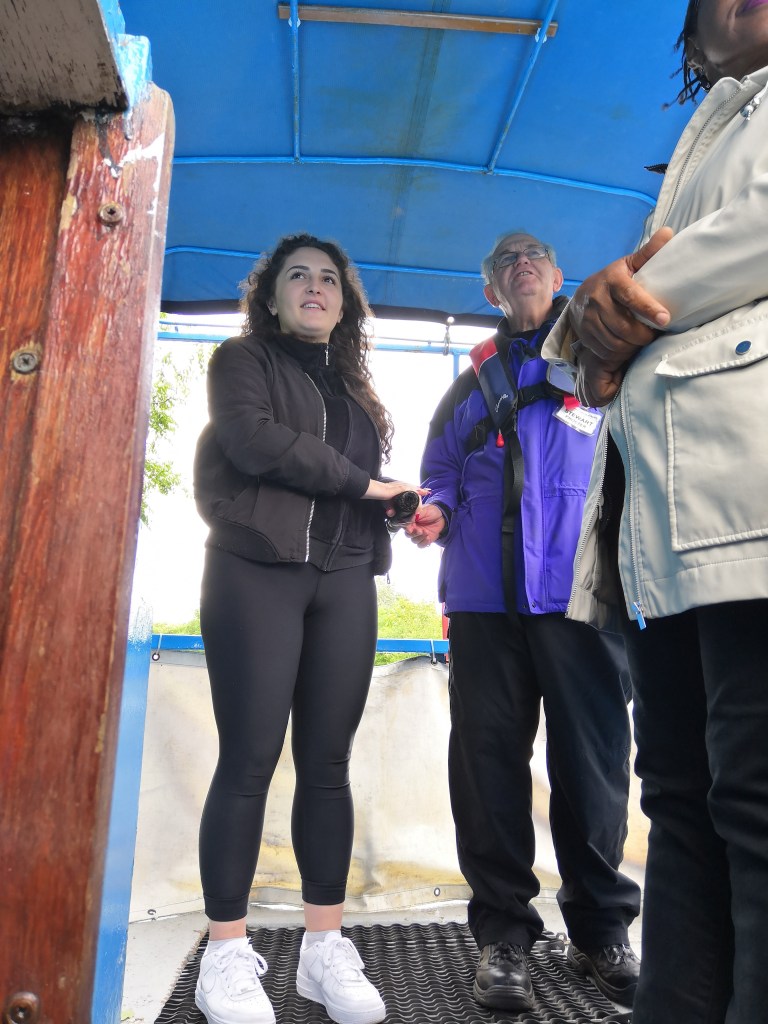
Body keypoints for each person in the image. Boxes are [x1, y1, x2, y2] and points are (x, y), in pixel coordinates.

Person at [542, 4, 768, 1021]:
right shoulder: (707, 140)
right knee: (679, 799)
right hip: (668, 532)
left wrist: (598, 318)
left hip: (751, 509)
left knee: (754, 800)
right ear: (691, 44)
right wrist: (599, 330)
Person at [192, 233, 425, 1024]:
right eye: (298, 276)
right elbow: (256, 444)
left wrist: (399, 507)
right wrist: (369, 485)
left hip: (345, 578)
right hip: (256, 568)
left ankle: (323, 950)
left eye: (329, 278)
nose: (315, 286)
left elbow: (356, 490)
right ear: (271, 295)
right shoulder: (241, 361)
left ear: (345, 302)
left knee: (328, 764)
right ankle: (226, 954)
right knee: (249, 759)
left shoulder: (355, 393)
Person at [406, 231, 642, 1012]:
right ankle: (503, 938)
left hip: (583, 593)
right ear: (491, 291)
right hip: (483, 601)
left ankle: (601, 932)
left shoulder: (604, 355)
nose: (522, 265)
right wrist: (435, 509)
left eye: (534, 254)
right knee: (487, 771)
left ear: (558, 274)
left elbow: (640, 450)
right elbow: (439, 470)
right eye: (506, 261)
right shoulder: (470, 382)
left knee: (594, 768)